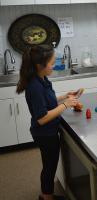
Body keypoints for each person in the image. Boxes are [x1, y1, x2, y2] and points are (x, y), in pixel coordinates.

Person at [16, 45, 80, 200]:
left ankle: (46, 195)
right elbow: (42, 117)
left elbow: (48, 101)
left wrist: (65, 96)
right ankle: (46, 197)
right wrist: (66, 105)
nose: (54, 66)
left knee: (49, 165)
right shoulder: (35, 86)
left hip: (48, 132)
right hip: (45, 134)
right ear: (40, 66)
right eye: (51, 63)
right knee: (49, 167)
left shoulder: (41, 78)